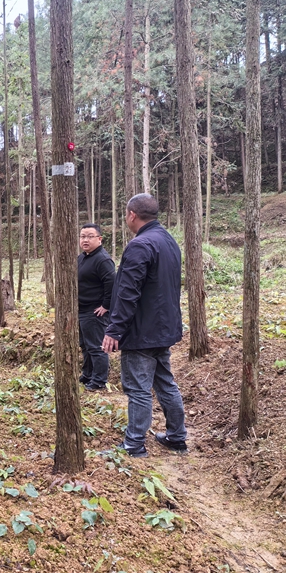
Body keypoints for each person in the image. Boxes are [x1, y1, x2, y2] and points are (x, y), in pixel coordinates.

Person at [102, 193, 188, 458]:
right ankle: (176, 437)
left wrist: (115, 329)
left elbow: (128, 292)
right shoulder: (168, 240)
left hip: (142, 331)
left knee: (138, 388)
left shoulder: (140, 245)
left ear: (131, 215)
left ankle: (134, 444)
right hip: (164, 329)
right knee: (165, 383)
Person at [77, 224, 115, 391]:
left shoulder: (103, 259)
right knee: (85, 345)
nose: (85, 239)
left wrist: (106, 305)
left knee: (96, 347)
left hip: (94, 312)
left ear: (99, 239)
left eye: (90, 236)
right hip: (81, 309)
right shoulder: (83, 257)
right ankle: (88, 374)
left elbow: (112, 283)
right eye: (83, 236)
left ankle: (99, 381)